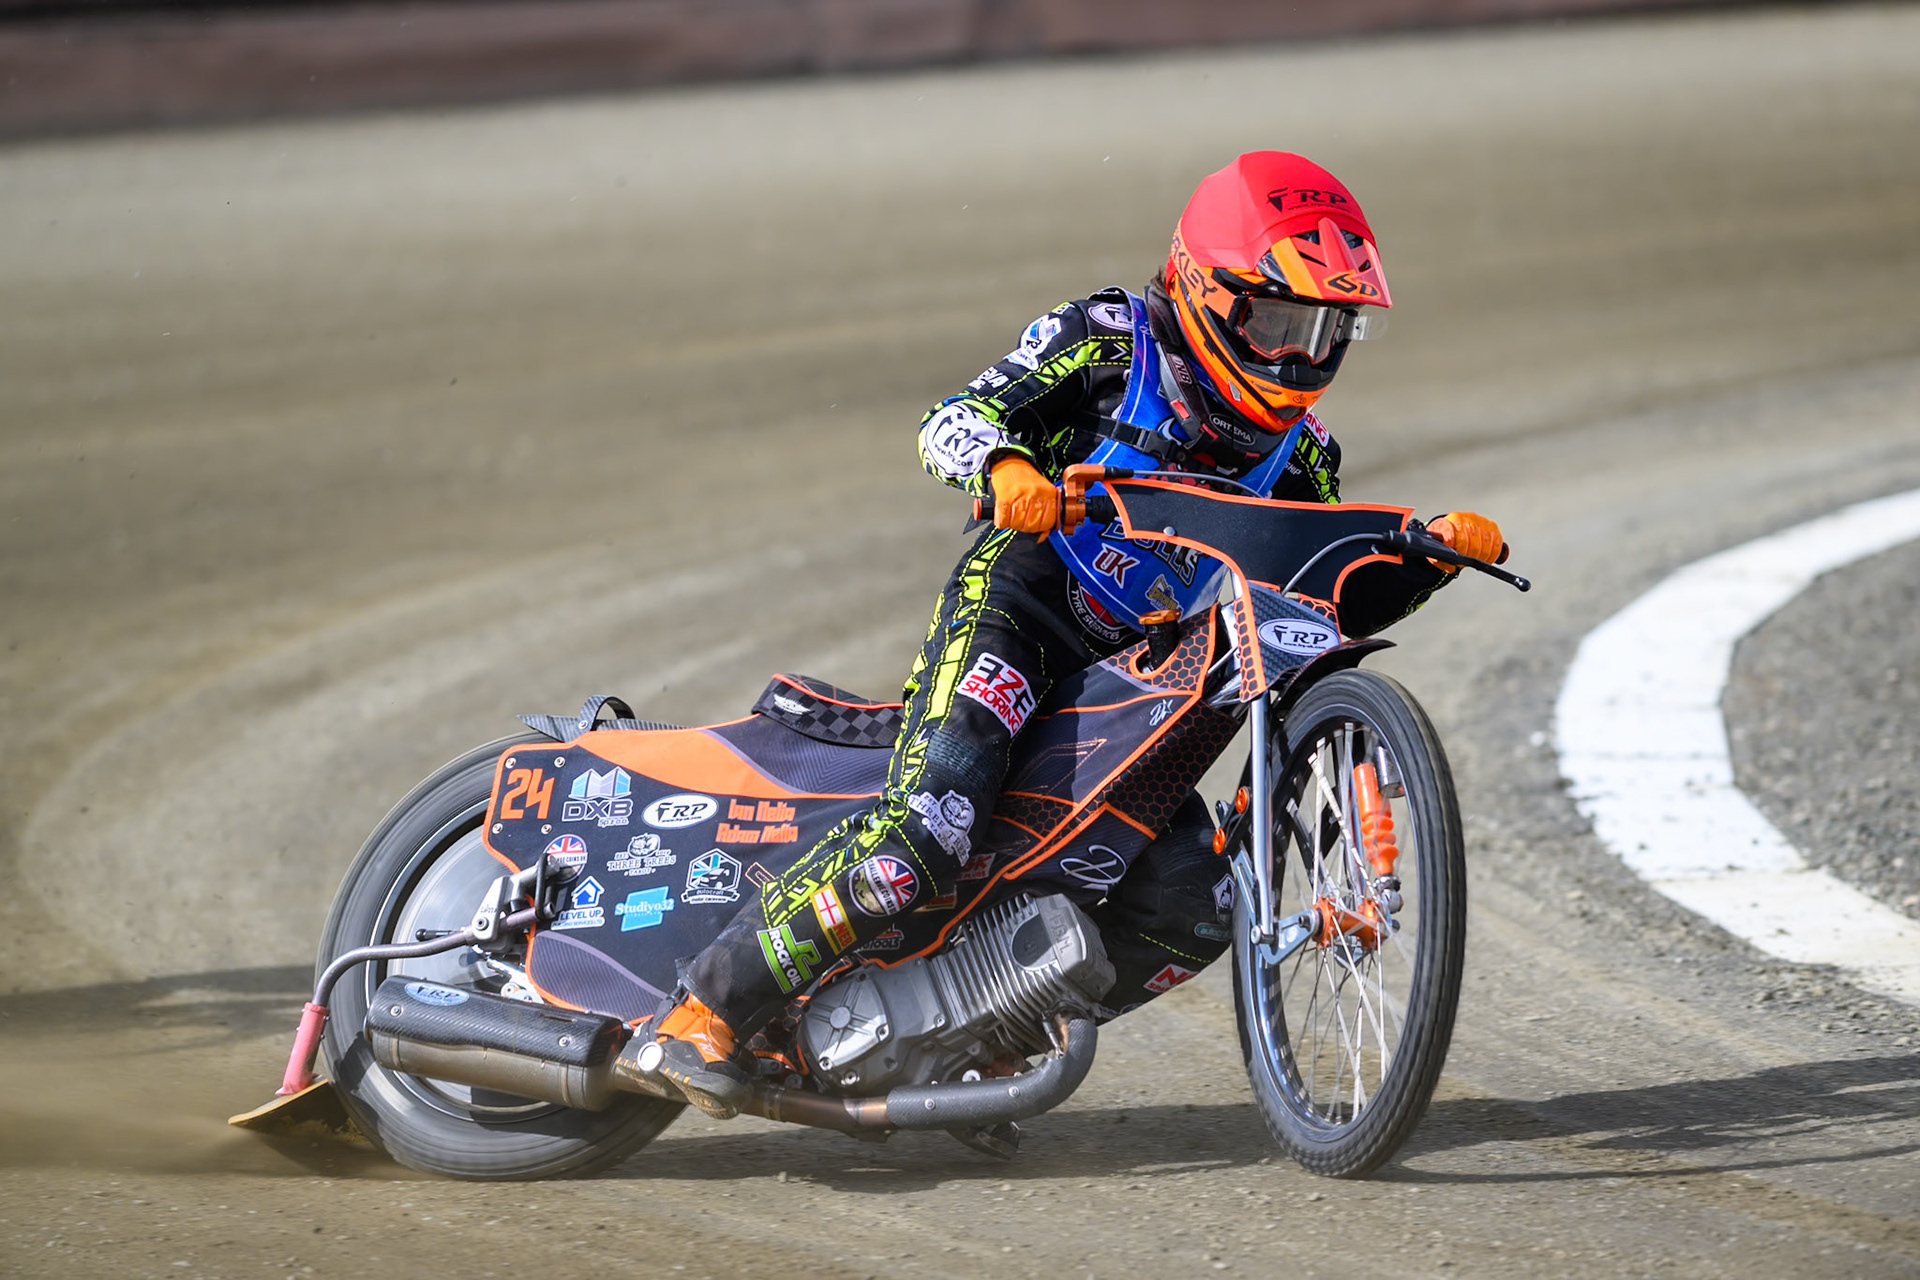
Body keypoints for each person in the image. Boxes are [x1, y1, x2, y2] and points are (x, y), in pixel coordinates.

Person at [648, 151, 1504, 1116]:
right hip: (1026, 608)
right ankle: (702, 1013)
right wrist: (1009, 464)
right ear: (1201, 288)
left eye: (1325, 331)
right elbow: (950, 421)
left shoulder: (1305, 457)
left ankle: (962, 1037)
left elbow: (1310, 615)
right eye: (1275, 322)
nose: (1300, 357)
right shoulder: (1107, 338)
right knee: (927, 832)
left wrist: (1416, 567)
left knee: (1199, 908)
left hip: (1138, 683)